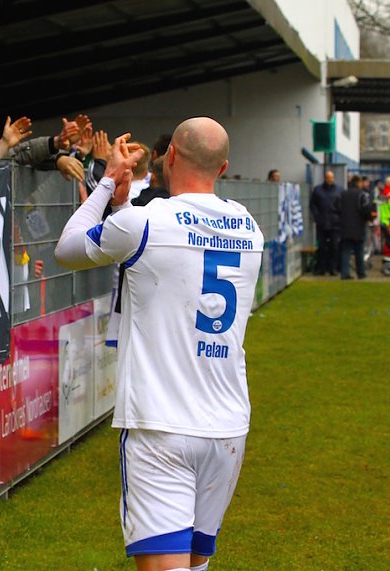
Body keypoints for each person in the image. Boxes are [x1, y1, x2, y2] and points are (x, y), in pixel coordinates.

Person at [55, 118, 263, 571]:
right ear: (223, 167)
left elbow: (68, 247)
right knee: (196, 564)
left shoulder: (146, 222)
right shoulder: (250, 229)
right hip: (227, 425)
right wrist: (125, 205)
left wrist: (108, 182)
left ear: (170, 157)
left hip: (161, 424)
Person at [335, 174, 373, 280]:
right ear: (359, 183)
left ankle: (345, 273)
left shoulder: (342, 194)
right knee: (359, 251)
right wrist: (369, 218)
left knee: (345, 251)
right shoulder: (362, 195)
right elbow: (366, 208)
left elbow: (336, 207)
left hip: (345, 227)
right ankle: (361, 273)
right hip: (359, 226)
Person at [309, 170, 342, 275]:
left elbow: (342, 206)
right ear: (325, 178)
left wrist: (339, 217)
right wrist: (317, 217)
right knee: (322, 247)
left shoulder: (339, 190)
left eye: (331, 177)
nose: (330, 180)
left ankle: (333, 268)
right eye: (328, 177)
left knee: (334, 247)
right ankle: (321, 268)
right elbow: (313, 205)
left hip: (335, 224)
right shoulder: (318, 190)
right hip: (322, 223)